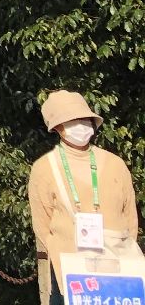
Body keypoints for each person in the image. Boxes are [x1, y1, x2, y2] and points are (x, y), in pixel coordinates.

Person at [29, 90, 140, 300]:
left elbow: (130, 217)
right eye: (71, 121)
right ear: (57, 128)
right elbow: (42, 224)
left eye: (83, 119)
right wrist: (62, 253)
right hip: (71, 273)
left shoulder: (116, 164)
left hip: (118, 269)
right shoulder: (44, 168)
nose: (80, 125)